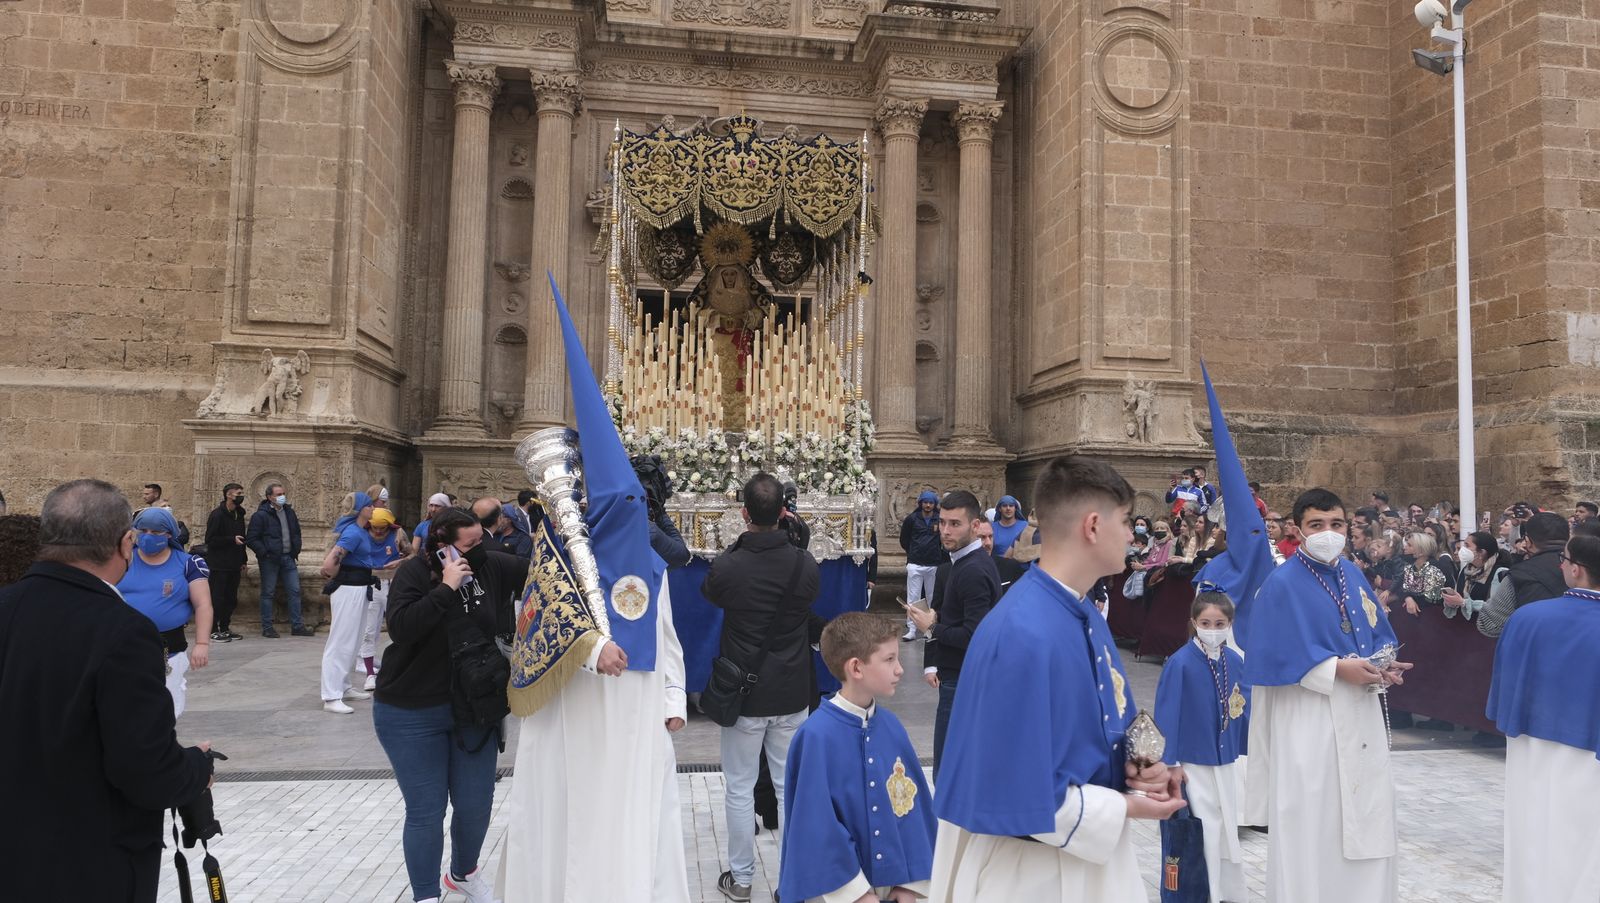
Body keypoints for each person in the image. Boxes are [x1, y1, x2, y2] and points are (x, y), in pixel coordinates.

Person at [501, 287, 690, 903]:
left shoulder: (649, 564)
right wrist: (589, 649)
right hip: (579, 713)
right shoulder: (554, 562)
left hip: (638, 716)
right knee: (576, 815)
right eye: (626, 504)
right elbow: (534, 629)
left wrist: (673, 698)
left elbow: (665, 635)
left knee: (636, 814)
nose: (637, 512)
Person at [929, 456, 1185, 901]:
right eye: (1125, 522)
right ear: (1091, 526)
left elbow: (1095, 731)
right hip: (1035, 874)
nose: (1131, 536)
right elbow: (1012, 790)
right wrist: (1125, 805)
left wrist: (1140, 771)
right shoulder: (1023, 632)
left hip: (1087, 860)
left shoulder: (1082, 611)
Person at [0, 479, 214, 902]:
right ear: (124, 543)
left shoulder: (7, 607)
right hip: (86, 862)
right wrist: (197, 767)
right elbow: (146, 771)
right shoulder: (125, 632)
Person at [1243, 488, 1412, 903]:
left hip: (1360, 709)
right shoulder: (1281, 584)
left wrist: (1383, 666)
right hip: (1309, 715)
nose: (1328, 533)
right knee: (1315, 819)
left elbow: (1371, 632)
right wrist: (1336, 668)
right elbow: (1271, 654)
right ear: (1298, 530)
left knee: (1367, 813)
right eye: (1317, 525)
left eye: (1336, 524)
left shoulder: (1352, 574)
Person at [377, 507, 526, 903]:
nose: (482, 548)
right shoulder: (414, 573)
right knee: (427, 811)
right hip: (412, 708)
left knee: (476, 804)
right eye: (471, 543)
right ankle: (425, 895)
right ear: (443, 547)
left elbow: (542, 573)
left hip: (473, 705)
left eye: (483, 539)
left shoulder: (490, 565)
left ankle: (462, 874)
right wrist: (445, 587)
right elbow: (403, 628)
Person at [703, 472, 823, 902]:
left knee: (738, 786)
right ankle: (795, 881)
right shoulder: (805, 563)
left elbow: (711, 593)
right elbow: (808, 601)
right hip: (792, 691)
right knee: (790, 787)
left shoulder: (729, 565)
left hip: (745, 694)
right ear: (784, 513)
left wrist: (739, 544)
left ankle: (742, 879)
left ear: (744, 514)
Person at [778, 613, 935, 903]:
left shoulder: (892, 728)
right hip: (833, 892)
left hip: (891, 890)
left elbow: (912, 810)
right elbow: (815, 824)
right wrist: (856, 892)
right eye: (889, 660)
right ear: (856, 668)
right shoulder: (816, 736)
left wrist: (909, 882)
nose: (900, 670)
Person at [1487, 532, 1600, 903]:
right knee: (1587, 843)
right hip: (1589, 744)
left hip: (1531, 741)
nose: (1561, 565)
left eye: (1564, 559)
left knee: (1532, 831)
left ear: (1577, 570)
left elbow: (1503, 684)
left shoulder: (1528, 618)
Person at [1154, 591, 1250, 903]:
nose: (1212, 628)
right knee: (1205, 828)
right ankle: (1201, 891)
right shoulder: (1180, 663)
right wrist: (1172, 763)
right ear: (1194, 623)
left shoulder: (1234, 661)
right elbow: (1167, 713)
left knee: (1225, 827)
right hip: (1192, 761)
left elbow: (1243, 707)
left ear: (1230, 624)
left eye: (1219, 622)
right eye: (1206, 622)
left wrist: (1254, 746)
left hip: (1223, 758)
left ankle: (1226, 892)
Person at [905, 489, 998, 780]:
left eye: (954, 524)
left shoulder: (972, 570)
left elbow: (974, 636)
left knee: (947, 770)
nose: (945, 531)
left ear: (974, 526)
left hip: (963, 677)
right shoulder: (961, 564)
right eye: (942, 523)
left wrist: (931, 627)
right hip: (958, 674)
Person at [118, 506, 213, 718]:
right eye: (143, 531)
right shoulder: (122, 559)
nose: (148, 536)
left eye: (155, 532)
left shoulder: (188, 564)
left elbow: (203, 604)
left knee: (166, 706)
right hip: (123, 645)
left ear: (168, 534)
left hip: (167, 648)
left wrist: (202, 644)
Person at [317, 491, 380, 714]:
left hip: (360, 587)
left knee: (353, 640)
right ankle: (331, 695)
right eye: (370, 506)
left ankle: (343, 686)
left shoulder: (360, 531)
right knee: (341, 640)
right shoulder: (353, 532)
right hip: (349, 589)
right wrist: (330, 572)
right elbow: (331, 561)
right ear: (361, 509)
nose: (373, 509)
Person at [1477, 511, 1569, 638]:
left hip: (1536, 649)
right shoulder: (1587, 569)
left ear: (1528, 542)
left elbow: (1490, 624)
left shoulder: (1520, 575)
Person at [247, 481, 309, 637]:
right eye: (278, 494)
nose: (282, 497)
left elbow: (296, 532)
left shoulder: (289, 512)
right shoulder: (260, 515)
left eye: (283, 494)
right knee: (268, 593)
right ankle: (267, 627)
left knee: (294, 591)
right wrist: (265, 553)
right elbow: (252, 538)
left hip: (288, 558)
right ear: (269, 497)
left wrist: (296, 548)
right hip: (270, 560)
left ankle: (297, 626)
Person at [357, 506, 407, 690]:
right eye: (374, 528)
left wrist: (399, 561)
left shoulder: (398, 534)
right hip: (371, 584)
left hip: (393, 583)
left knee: (398, 626)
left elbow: (412, 555)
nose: (378, 531)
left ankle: (399, 668)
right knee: (369, 630)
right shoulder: (361, 535)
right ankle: (370, 673)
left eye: (382, 528)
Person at [203, 482, 249, 642]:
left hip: (234, 564)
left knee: (230, 598)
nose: (241, 496)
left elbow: (242, 538)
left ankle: (225, 626)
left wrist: (243, 559)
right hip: (219, 564)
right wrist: (230, 540)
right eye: (238, 493)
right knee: (217, 597)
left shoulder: (239, 514)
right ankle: (213, 629)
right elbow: (210, 539)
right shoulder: (217, 515)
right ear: (228, 494)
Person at [899, 489, 946, 640]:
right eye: (925, 502)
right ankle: (912, 629)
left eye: (930, 503)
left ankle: (929, 628)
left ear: (934, 504)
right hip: (915, 563)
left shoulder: (939, 519)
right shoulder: (912, 519)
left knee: (933, 597)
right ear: (920, 503)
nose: (927, 505)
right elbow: (904, 540)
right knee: (913, 597)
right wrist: (914, 551)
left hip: (934, 563)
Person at [975, 516, 1026, 593]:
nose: (988, 543)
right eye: (982, 537)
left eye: (990, 536)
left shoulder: (1010, 568)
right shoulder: (954, 570)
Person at [140, 481, 191, 547]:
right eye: (144, 494)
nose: (144, 497)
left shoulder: (165, 509)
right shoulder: (153, 508)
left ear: (156, 494)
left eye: (147, 494)